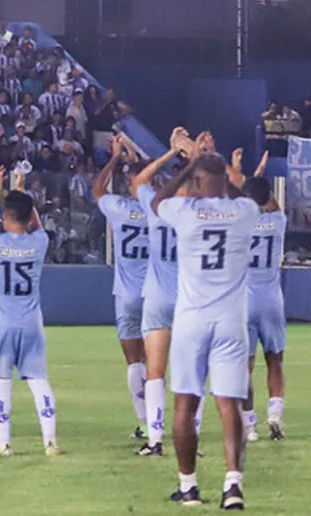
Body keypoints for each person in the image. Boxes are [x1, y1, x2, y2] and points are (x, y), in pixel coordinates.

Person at [151, 132, 256, 509]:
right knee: (230, 404)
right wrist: (215, 170)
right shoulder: (244, 213)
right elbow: (246, 198)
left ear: (196, 182)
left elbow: (158, 200)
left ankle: (188, 486)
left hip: (192, 320)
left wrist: (190, 164)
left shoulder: (185, 212)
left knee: (185, 404)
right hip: (232, 320)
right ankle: (233, 485)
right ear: (224, 179)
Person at [0, 164, 61, 457]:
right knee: (38, 381)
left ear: (6, 216)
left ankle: (4, 443)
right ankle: (50, 442)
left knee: (1, 383)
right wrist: (21, 191)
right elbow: (35, 224)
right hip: (31, 324)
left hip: (0, 325)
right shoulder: (39, 242)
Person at [130, 129, 204, 457]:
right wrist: (195, 154)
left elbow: (138, 181)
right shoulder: (202, 212)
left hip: (159, 297)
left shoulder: (158, 207)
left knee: (155, 372)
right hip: (191, 300)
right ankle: (193, 439)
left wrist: (172, 152)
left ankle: (155, 440)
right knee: (192, 374)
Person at [93, 136, 149, 438]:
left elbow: (98, 189)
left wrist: (113, 158)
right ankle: (156, 419)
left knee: (134, 361)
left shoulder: (119, 208)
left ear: (129, 182)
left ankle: (142, 421)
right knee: (157, 361)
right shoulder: (159, 208)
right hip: (156, 292)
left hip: (126, 294)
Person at [241, 163, 286, 442]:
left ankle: (250, 425)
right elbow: (275, 206)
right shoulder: (278, 222)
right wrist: (260, 183)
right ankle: (274, 414)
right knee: (275, 360)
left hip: (243, 299)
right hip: (271, 299)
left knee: (243, 365)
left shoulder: (238, 223)